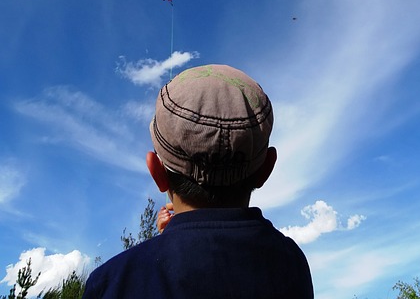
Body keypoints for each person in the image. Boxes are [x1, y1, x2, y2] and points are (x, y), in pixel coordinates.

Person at [83, 64, 314, 298]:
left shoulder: (109, 283)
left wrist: (170, 248)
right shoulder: (292, 265)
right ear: (266, 169)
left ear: (157, 172)